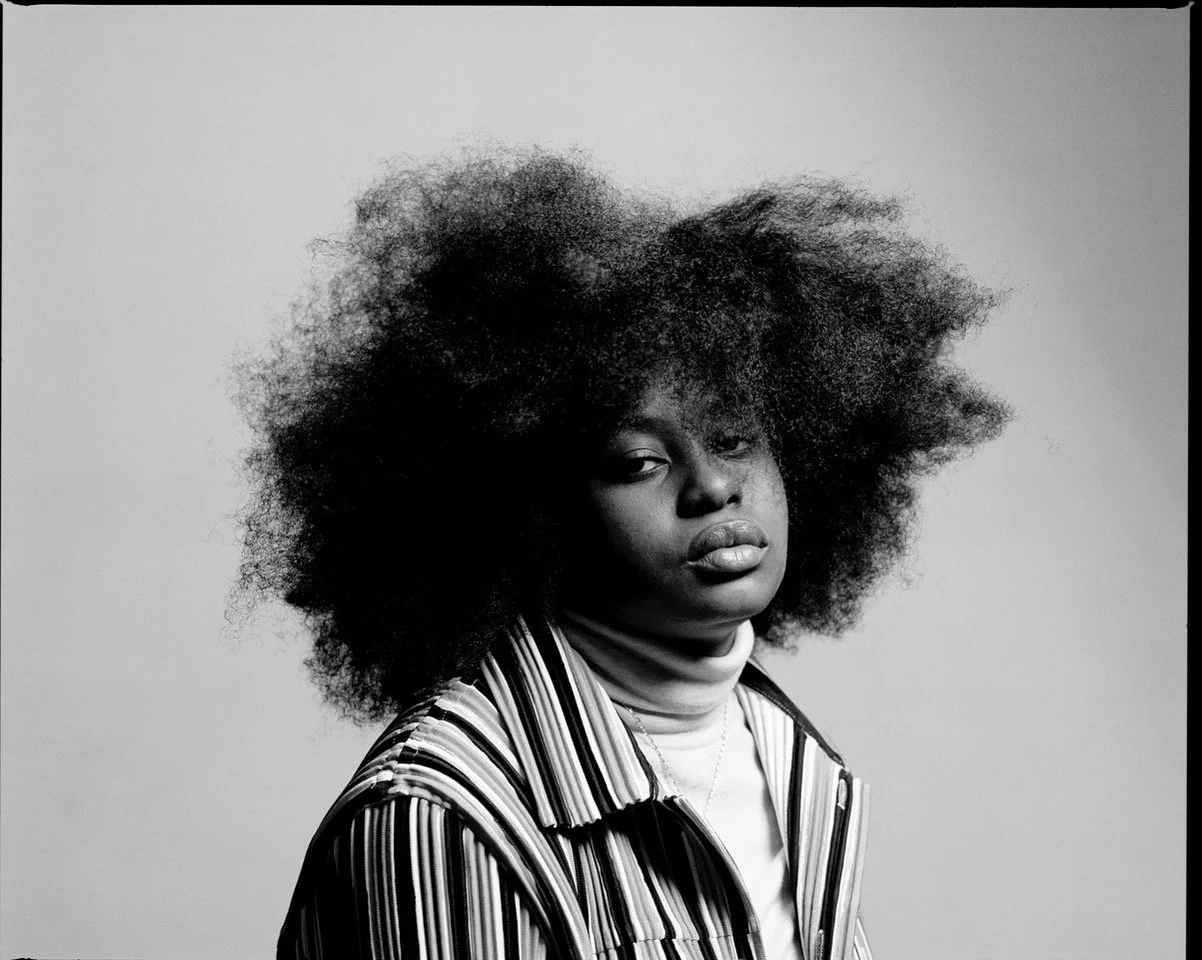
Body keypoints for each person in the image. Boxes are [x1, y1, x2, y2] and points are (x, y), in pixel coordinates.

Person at [234, 146, 1009, 959]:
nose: (713, 485)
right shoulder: (444, 819)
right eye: (640, 461)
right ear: (534, 514)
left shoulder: (793, 761)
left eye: (735, 437)